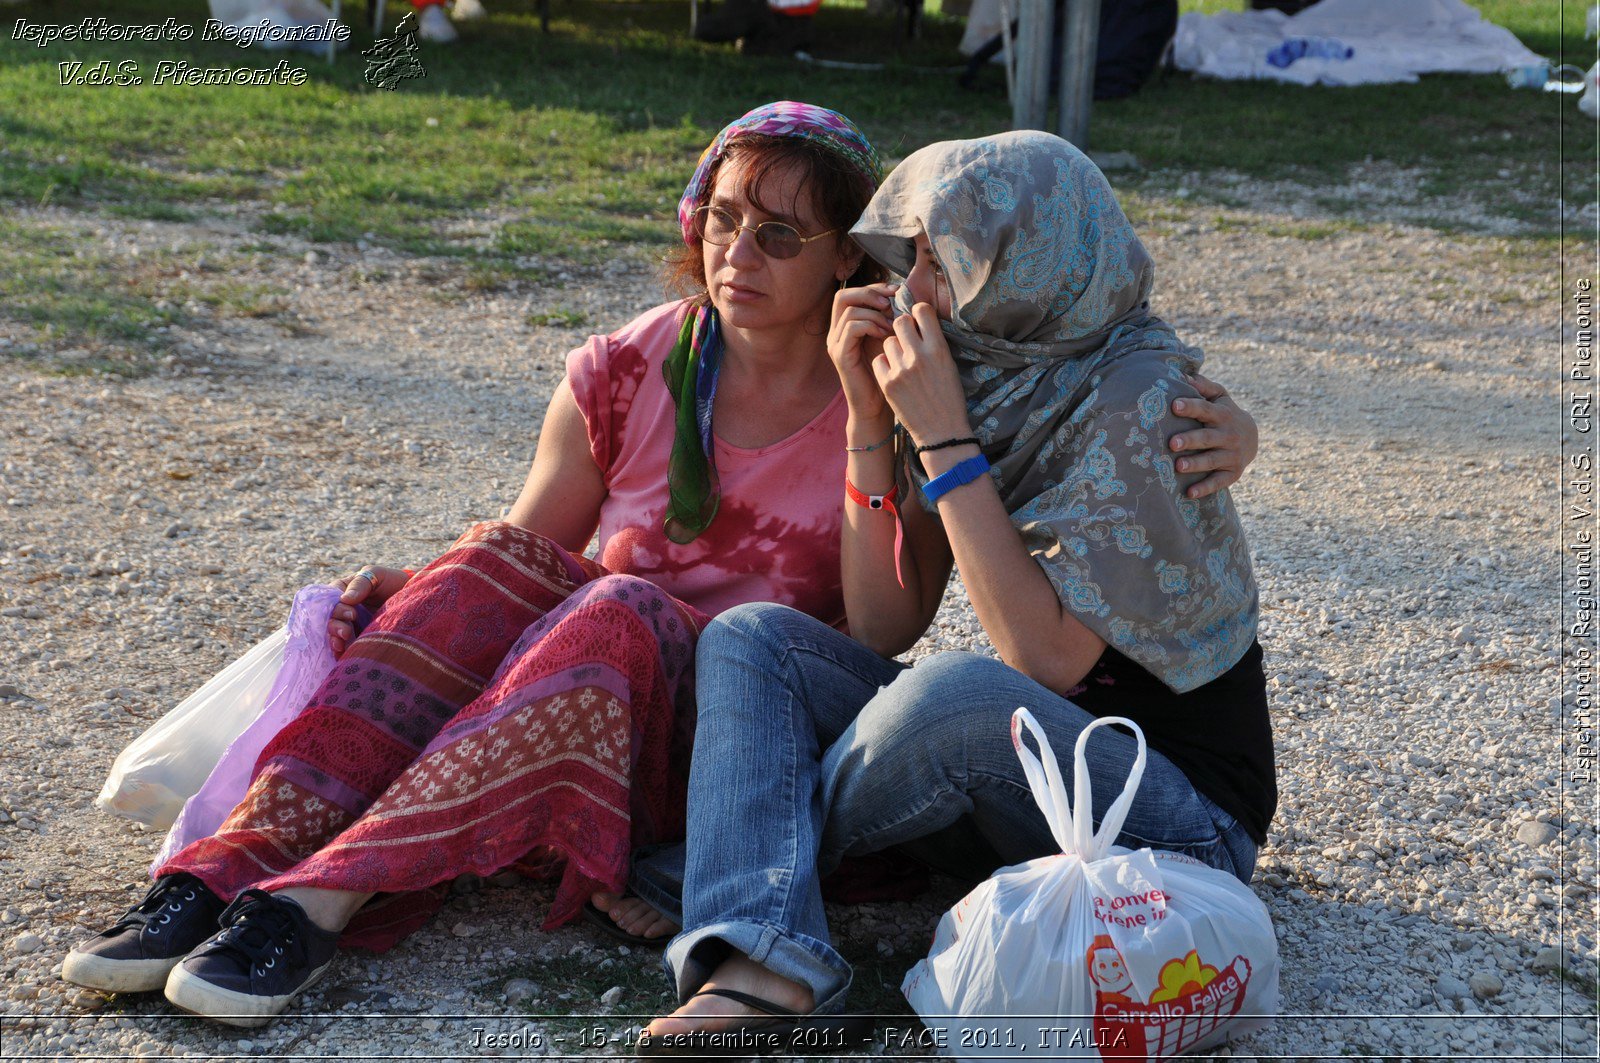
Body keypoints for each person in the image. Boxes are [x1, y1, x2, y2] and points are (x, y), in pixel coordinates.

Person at [62, 105, 1254, 1030]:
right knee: (519, 573)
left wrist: (898, 426)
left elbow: (985, 643)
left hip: (1133, 805)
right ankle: (240, 869)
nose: (737, 252)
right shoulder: (964, 362)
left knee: (871, 676)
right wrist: (423, 593)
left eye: (783, 234)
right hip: (662, 712)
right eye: (724, 218)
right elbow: (530, 547)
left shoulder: (999, 388)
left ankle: (406, 885)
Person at [636, 130, 1274, 1051]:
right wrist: (871, 418)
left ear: (1027, 263)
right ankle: (758, 952)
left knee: (966, 694)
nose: (913, 291)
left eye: (944, 261)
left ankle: (729, 856)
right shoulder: (986, 369)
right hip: (1041, 785)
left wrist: (943, 444)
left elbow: (1042, 659)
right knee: (751, 638)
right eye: (915, 257)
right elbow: (890, 620)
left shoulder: (1139, 393)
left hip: (1176, 821)